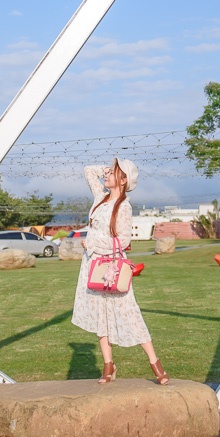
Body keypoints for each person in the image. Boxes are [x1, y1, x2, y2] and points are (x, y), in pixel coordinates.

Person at [70, 158, 169, 385]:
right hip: (94, 265)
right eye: (108, 172)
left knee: (129, 312)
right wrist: (105, 169)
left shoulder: (124, 206)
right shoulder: (100, 198)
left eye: (113, 173)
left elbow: (123, 240)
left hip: (113, 266)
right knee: (100, 314)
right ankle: (108, 365)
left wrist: (93, 243)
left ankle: (155, 363)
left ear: (123, 180)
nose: (106, 176)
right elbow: (88, 171)